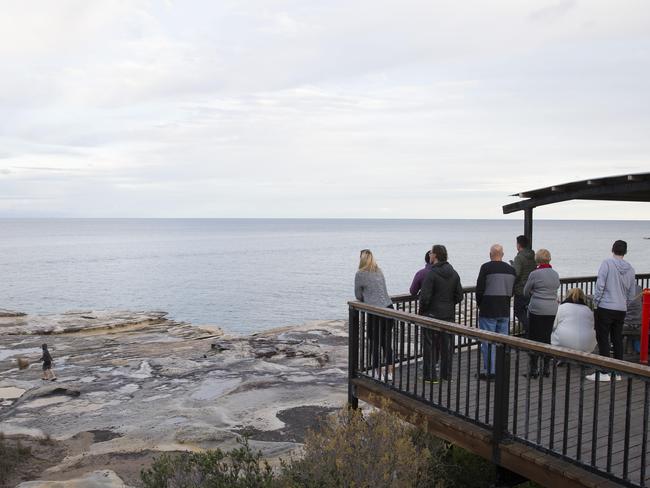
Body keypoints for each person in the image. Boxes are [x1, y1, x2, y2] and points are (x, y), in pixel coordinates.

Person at [587, 240, 636, 381]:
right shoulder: (631, 269)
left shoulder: (607, 263)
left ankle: (604, 372)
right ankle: (618, 372)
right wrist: (624, 303)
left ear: (612, 249)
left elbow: (600, 285)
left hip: (606, 307)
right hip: (621, 309)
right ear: (625, 252)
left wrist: (596, 302)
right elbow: (631, 294)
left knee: (603, 339)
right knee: (617, 338)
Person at [419, 244, 463, 382]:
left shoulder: (432, 273)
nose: (430, 255)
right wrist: (449, 304)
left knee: (429, 346)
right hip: (448, 315)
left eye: (431, 253)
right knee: (447, 347)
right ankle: (446, 375)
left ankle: (430, 376)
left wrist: (425, 309)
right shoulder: (454, 273)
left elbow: (425, 297)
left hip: (432, 315)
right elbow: (459, 296)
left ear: (435, 255)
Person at [475, 244, 516, 380]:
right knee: (502, 342)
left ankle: (491, 372)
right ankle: (501, 370)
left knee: (488, 342)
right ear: (502, 255)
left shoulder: (485, 268)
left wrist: (481, 304)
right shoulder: (511, 270)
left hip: (488, 309)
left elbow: (479, 289)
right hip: (504, 309)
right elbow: (512, 291)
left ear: (490, 254)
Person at [354, 249, 394, 380]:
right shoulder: (379, 271)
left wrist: (367, 297)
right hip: (389, 309)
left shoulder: (360, 274)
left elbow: (358, 295)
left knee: (374, 342)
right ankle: (389, 373)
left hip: (376, 312)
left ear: (362, 259)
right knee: (386, 342)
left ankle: (377, 373)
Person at [523, 248, 560, 378]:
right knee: (547, 338)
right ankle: (546, 368)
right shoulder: (555, 274)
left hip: (537, 310)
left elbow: (525, 291)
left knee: (534, 339)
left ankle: (534, 369)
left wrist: (534, 293)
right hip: (552, 309)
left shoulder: (535, 274)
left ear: (537, 259)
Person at [551, 288, 597, 353]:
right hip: (587, 346)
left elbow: (554, 326)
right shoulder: (588, 310)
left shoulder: (561, 307)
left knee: (553, 333)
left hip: (563, 343)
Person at [511, 235, 536, 336]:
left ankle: (530, 331)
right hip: (531, 290)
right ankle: (529, 334)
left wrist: (512, 267)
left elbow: (516, 274)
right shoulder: (533, 256)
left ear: (519, 245)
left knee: (518, 311)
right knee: (528, 313)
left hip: (521, 289)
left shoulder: (519, 257)